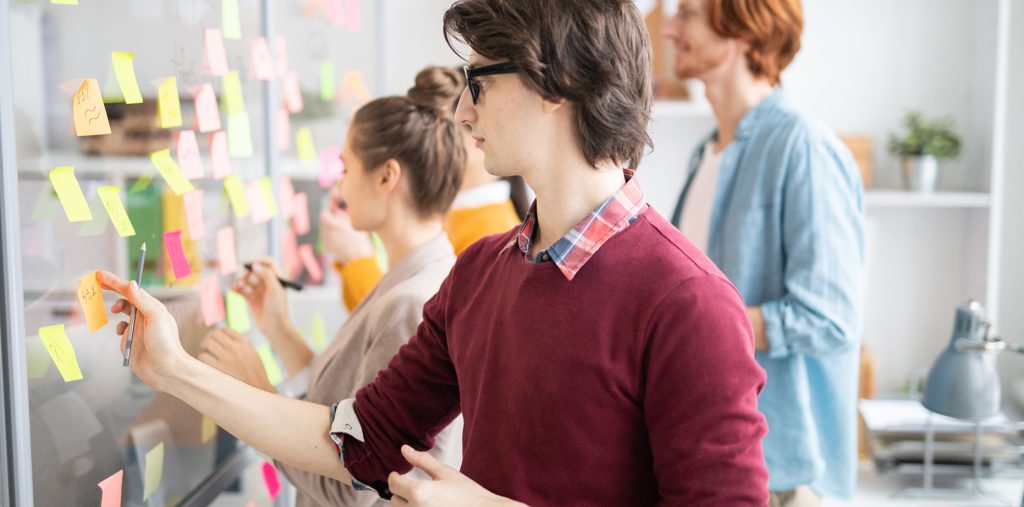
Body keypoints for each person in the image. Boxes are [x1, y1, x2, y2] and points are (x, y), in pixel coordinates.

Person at [98, 1, 769, 504]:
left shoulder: (689, 302)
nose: (464, 112)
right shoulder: (479, 273)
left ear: (557, 84)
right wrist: (176, 370)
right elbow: (355, 439)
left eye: (479, 82)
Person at [197, 86, 467, 506]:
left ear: (386, 176)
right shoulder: (408, 275)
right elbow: (341, 410)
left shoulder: (412, 301)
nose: (338, 186)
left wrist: (258, 393)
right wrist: (278, 327)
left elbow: (358, 489)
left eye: (345, 167)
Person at [663, 0, 865, 504]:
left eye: (687, 14)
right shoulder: (705, 154)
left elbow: (830, 316)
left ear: (743, 31)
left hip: (783, 475)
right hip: (714, 458)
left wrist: (694, 328)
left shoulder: (805, 148)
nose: (668, 29)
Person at [327, 65, 526, 312]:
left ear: (476, 136)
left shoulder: (492, 233)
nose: (426, 142)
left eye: (442, 128)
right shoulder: (451, 215)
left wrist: (358, 261)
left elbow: (407, 322)